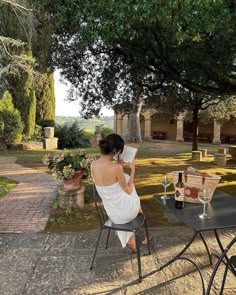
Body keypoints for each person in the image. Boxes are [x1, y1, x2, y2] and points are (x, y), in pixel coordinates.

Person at [91, 133, 151, 252]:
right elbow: (128, 191)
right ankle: (136, 237)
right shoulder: (116, 168)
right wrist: (133, 170)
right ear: (114, 150)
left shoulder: (93, 165)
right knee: (130, 185)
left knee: (124, 190)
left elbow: (108, 185)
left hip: (112, 214)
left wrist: (118, 165)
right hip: (126, 213)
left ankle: (132, 239)